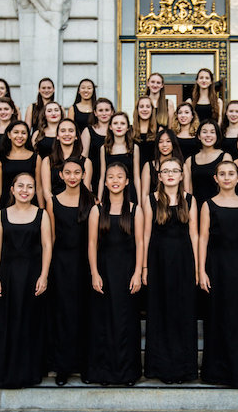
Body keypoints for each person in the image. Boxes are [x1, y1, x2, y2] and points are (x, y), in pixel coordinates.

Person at [199, 161, 238, 387]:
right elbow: (203, 238)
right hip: (216, 266)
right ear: (215, 178)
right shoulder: (208, 205)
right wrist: (201, 270)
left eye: (230, 174)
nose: (226, 177)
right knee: (216, 317)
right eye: (222, 174)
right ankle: (216, 373)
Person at [0, 173, 52, 388]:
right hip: (7, 275)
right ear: (12, 189)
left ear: (35, 191)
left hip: (32, 275)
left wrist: (44, 275)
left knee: (30, 323)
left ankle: (29, 373)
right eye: (21, 186)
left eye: (30, 187)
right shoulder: (1, 215)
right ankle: (5, 374)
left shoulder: (41, 215)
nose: (25, 190)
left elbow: (47, 246)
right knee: (7, 323)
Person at [142, 157, 199, 383]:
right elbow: (146, 234)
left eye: (175, 170)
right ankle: (162, 368)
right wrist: (145, 266)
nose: (171, 174)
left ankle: (184, 369)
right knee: (161, 312)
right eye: (166, 171)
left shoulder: (190, 200)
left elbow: (195, 235)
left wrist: (197, 267)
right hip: (158, 261)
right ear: (160, 176)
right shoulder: (151, 199)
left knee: (182, 313)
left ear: (182, 175)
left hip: (184, 261)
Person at [86, 162, 144, 385]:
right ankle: (105, 373)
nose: (115, 180)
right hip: (104, 271)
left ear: (127, 181)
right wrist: (94, 273)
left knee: (126, 322)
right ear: (105, 181)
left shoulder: (135, 209)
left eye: (120, 176)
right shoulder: (96, 210)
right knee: (104, 322)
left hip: (127, 271)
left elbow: (140, 242)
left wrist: (138, 272)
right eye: (111, 177)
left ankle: (128, 373)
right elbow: (92, 243)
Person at [45, 157, 96, 386]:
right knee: (63, 315)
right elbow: (52, 238)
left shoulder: (92, 201)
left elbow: (95, 240)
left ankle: (85, 365)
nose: (73, 176)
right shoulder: (53, 202)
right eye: (68, 172)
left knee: (85, 314)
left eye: (77, 172)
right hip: (62, 265)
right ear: (61, 175)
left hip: (85, 264)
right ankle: (63, 367)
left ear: (84, 175)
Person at [0, 120, 43, 218]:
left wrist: (42, 211)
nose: (20, 136)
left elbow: (39, 188)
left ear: (28, 136)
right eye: (16, 132)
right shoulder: (0, 158)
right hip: (6, 205)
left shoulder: (36, 158)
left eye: (23, 133)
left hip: (30, 204)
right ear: (9, 135)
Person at [42, 118, 92, 205]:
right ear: (57, 136)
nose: (67, 134)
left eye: (71, 131)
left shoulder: (86, 162)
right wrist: (57, 207)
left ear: (76, 136)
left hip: (78, 207)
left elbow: (85, 190)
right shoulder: (47, 161)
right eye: (63, 131)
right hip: (54, 207)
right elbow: (46, 191)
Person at [184, 120, 232, 208]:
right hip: (197, 207)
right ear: (198, 136)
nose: (208, 135)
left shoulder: (225, 157)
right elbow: (189, 191)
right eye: (204, 132)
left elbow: (229, 186)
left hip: (219, 207)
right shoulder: (189, 160)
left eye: (212, 132)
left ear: (217, 136)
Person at [98, 112, 141, 203]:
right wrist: (99, 199)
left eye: (122, 123)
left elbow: (137, 177)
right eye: (115, 123)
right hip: (110, 192)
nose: (119, 126)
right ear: (110, 127)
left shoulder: (134, 148)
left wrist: (139, 202)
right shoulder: (104, 148)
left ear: (128, 127)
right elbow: (102, 176)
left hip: (129, 192)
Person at [81, 98, 114, 194]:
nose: (104, 113)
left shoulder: (117, 130)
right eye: (100, 110)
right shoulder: (88, 131)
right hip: (94, 177)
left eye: (107, 110)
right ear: (95, 113)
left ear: (112, 112)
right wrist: (87, 180)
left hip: (113, 176)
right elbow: (84, 157)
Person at [141, 128, 183, 201]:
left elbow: (187, 191)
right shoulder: (149, 166)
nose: (164, 145)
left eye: (168, 141)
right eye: (161, 142)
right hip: (154, 206)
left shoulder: (182, 165)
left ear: (173, 143)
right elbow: (145, 193)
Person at [132, 96, 158, 168]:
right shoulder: (130, 130)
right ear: (137, 109)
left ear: (152, 109)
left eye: (148, 106)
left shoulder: (159, 130)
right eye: (141, 106)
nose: (144, 109)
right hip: (134, 171)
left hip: (153, 171)